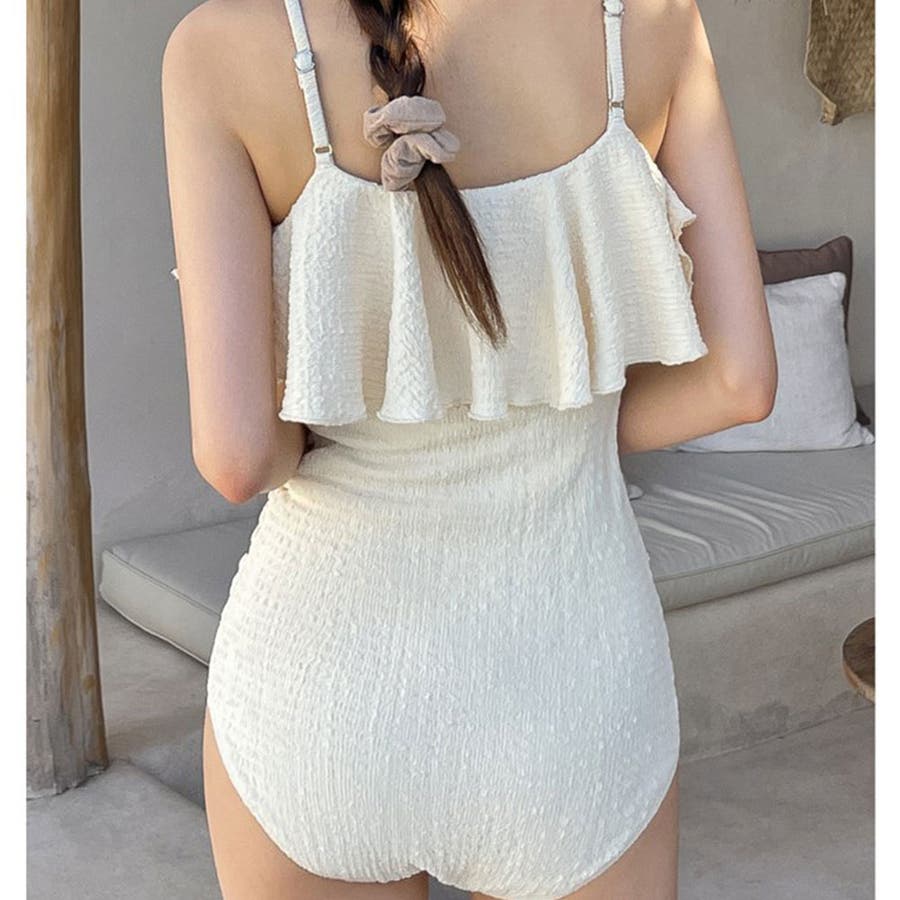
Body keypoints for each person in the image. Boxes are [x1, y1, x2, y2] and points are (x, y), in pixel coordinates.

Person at [162, 0, 776, 897]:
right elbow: (739, 381)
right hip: (575, 694)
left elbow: (239, 456)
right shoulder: (648, 21)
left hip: (321, 697)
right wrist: (557, 414)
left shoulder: (221, 48)